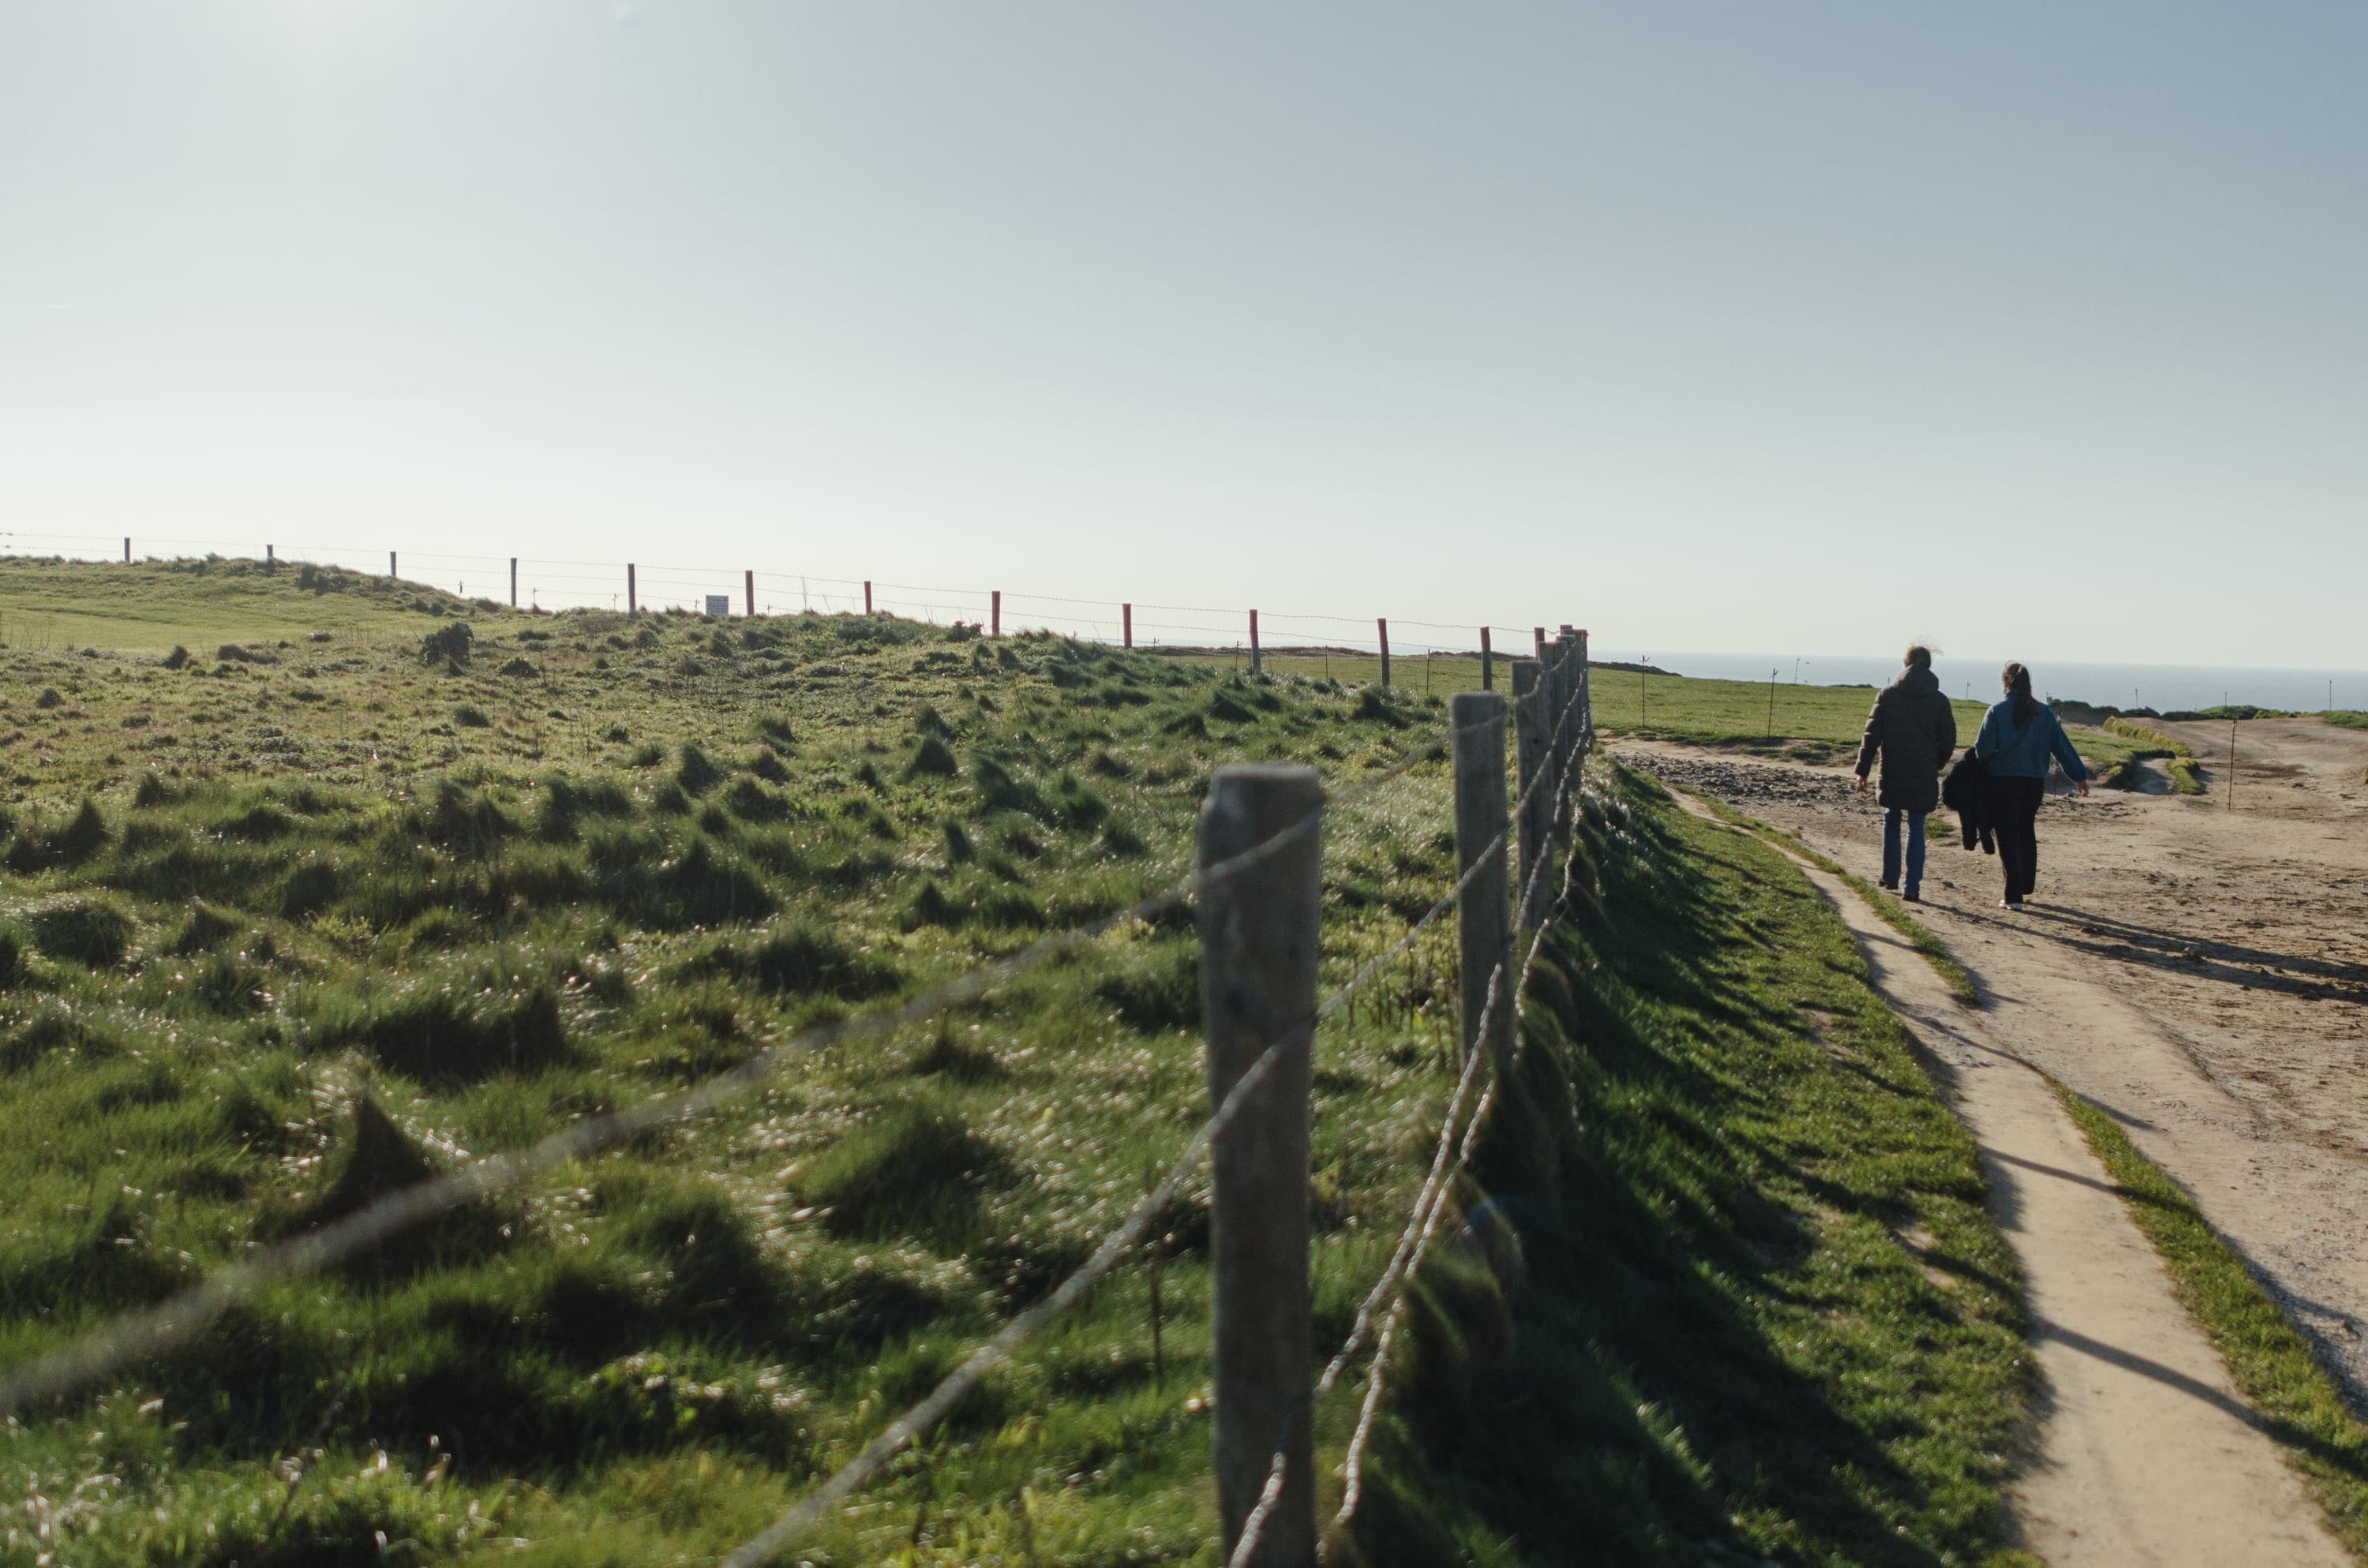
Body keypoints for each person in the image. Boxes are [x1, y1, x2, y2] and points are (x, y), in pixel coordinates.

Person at [1972, 662, 2089, 911]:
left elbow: (1982, 750)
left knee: (2007, 835)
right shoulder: (2044, 713)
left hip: (2002, 781)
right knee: (2025, 830)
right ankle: (2025, 885)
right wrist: (2079, 776)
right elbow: (2062, 748)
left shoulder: (1996, 711)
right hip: (2034, 783)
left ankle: (2014, 896)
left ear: (2005, 682)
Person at [1853, 645, 1957, 902]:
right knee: (1917, 826)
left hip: (1892, 769)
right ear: (1929, 666)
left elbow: (1871, 737)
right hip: (1923, 772)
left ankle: (1889, 877)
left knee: (1891, 819)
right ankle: (1912, 888)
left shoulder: (1887, 696)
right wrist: (1937, 763)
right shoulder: (1939, 701)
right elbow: (1948, 739)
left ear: (1906, 664)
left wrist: (1862, 771)